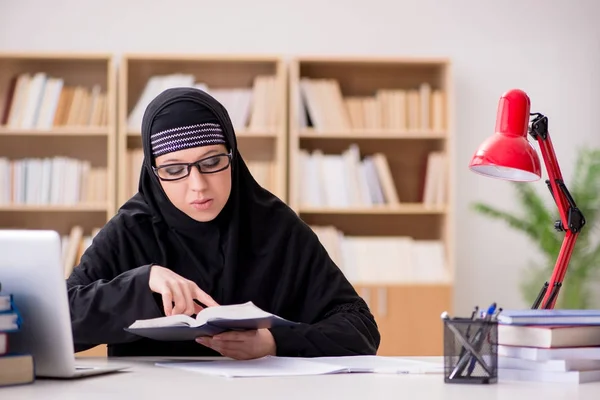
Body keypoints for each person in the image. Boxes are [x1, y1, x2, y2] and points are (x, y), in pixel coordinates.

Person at [66, 87, 380, 359]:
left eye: (212, 162)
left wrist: (274, 343)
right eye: (174, 170)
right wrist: (141, 282)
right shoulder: (130, 231)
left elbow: (359, 327)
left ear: (232, 155)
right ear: (152, 171)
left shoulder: (277, 227)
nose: (198, 185)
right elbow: (57, 323)